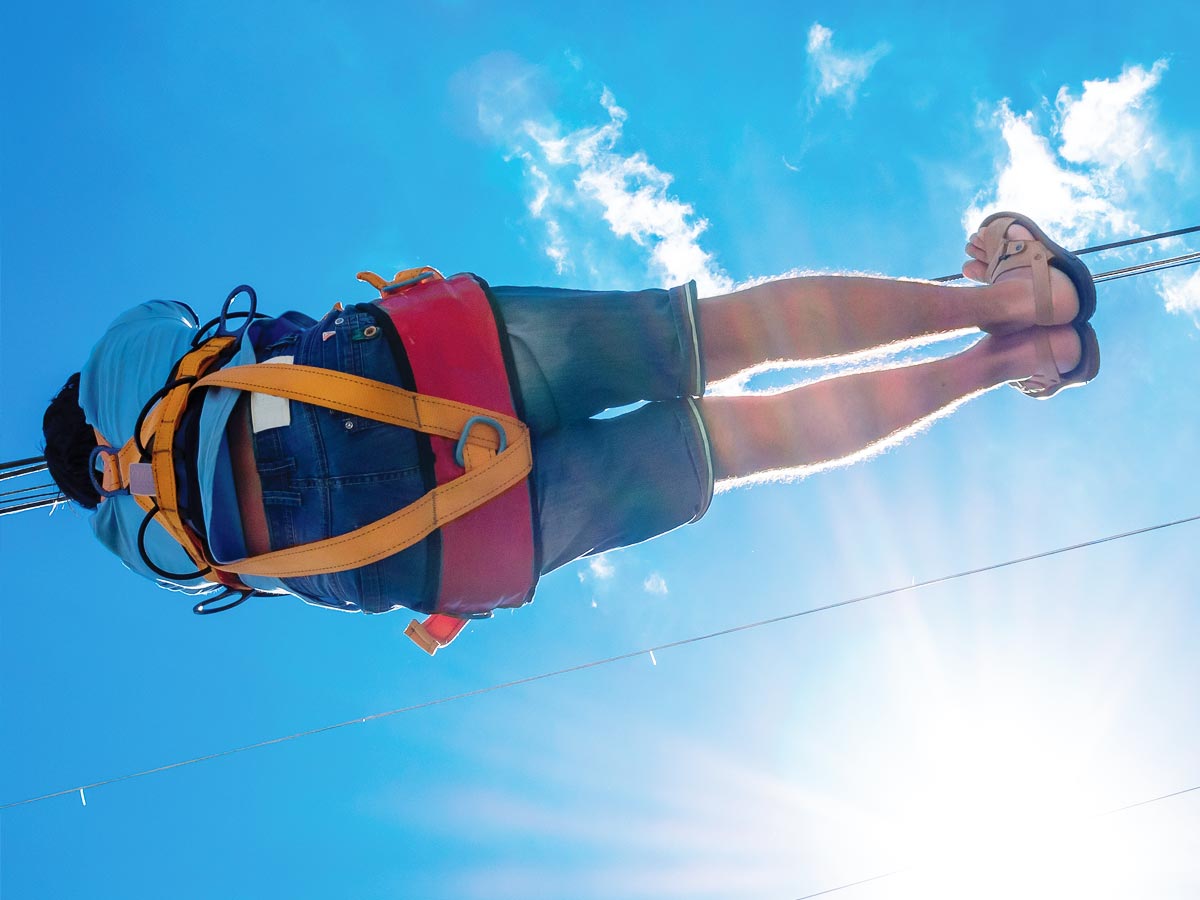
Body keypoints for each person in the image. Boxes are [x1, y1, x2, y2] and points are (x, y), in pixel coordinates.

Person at [41, 212, 1099, 624]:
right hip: (427, 364)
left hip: (457, 541)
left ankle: (1013, 362)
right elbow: (180, 320)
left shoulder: (148, 550)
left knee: (742, 441)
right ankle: (1010, 297)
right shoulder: (114, 377)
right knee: (716, 337)